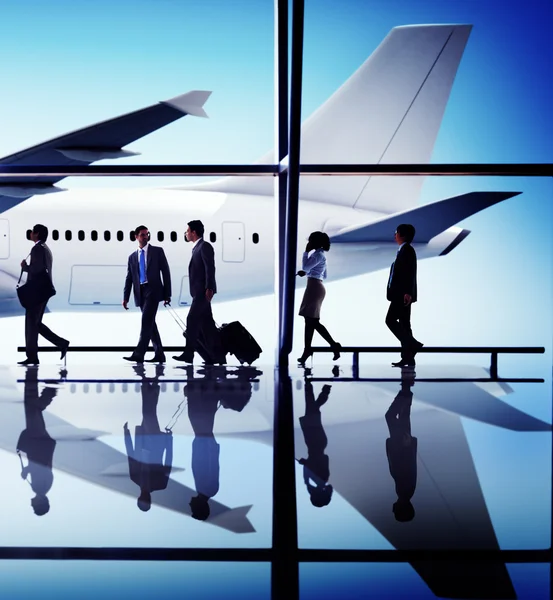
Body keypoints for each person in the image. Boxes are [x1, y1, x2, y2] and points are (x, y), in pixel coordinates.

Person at [173, 220, 225, 365]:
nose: (186, 233)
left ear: (194, 232)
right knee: (208, 326)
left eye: (188, 231)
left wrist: (210, 288)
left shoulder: (205, 246)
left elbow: (210, 268)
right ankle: (218, 356)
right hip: (198, 292)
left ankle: (188, 354)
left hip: (203, 293)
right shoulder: (197, 248)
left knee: (192, 320)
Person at [123, 364, 173, 511]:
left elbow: (130, 455)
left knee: (149, 411)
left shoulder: (134, 478)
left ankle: (154, 381)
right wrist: (169, 441)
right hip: (156, 441)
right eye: (146, 500)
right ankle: (148, 380)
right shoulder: (160, 484)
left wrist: (126, 434)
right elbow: (168, 461)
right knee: (148, 412)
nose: (144, 498)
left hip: (143, 438)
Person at [18, 224, 70, 366]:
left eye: (33, 231)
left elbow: (37, 269)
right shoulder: (45, 249)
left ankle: (33, 356)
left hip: (36, 292)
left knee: (31, 324)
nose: (31, 233)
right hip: (42, 291)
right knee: (35, 324)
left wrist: (25, 267)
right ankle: (61, 343)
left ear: (37, 234)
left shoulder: (37, 249)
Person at [123, 225, 171, 364]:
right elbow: (129, 278)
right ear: (136, 237)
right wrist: (126, 297)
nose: (145, 237)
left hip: (153, 291)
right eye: (142, 235)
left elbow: (165, 272)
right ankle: (159, 354)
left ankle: (139, 354)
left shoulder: (157, 251)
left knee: (145, 322)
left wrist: (167, 293)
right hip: (140, 292)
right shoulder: (132, 257)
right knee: (151, 324)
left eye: (147, 234)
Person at [16, 367, 58, 516]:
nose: (31, 505)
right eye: (34, 507)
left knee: (32, 408)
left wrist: (27, 469)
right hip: (38, 443)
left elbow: (41, 469)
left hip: (41, 444)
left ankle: (44, 386)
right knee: (32, 409)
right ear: (41, 503)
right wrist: (26, 470)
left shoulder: (41, 488)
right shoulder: (39, 488)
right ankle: (51, 389)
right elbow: (41, 467)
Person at [296, 231, 341, 365]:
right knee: (309, 321)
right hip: (316, 286)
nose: (308, 243)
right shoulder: (321, 255)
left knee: (312, 321)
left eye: (310, 241)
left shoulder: (317, 254)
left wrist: (305, 253)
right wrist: (309, 272)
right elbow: (324, 274)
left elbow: (305, 266)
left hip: (314, 288)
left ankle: (333, 345)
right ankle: (307, 350)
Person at [385, 223, 423, 368]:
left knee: (390, 320)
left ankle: (412, 344)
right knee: (405, 325)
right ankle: (408, 358)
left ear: (402, 235)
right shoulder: (403, 250)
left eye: (396, 232)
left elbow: (409, 272)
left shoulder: (407, 250)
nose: (394, 235)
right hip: (401, 294)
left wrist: (407, 292)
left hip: (401, 295)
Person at [385, 371, 417, 522]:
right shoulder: (405, 492)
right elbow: (408, 467)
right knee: (391, 416)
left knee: (403, 416)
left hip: (402, 445)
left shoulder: (406, 493)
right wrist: (406, 446)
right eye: (395, 512)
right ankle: (405, 387)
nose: (392, 509)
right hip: (401, 445)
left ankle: (406, 386)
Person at [298, 380, 333, 507]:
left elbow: (310, 465)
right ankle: (310, 385)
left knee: (313, 409)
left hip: (314, 441)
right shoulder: (322, 478)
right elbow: (323, 458)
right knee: (311, 409)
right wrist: (307, 464)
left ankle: (321, 389)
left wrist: (307, 481)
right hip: (315, 441)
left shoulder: (318, 480)